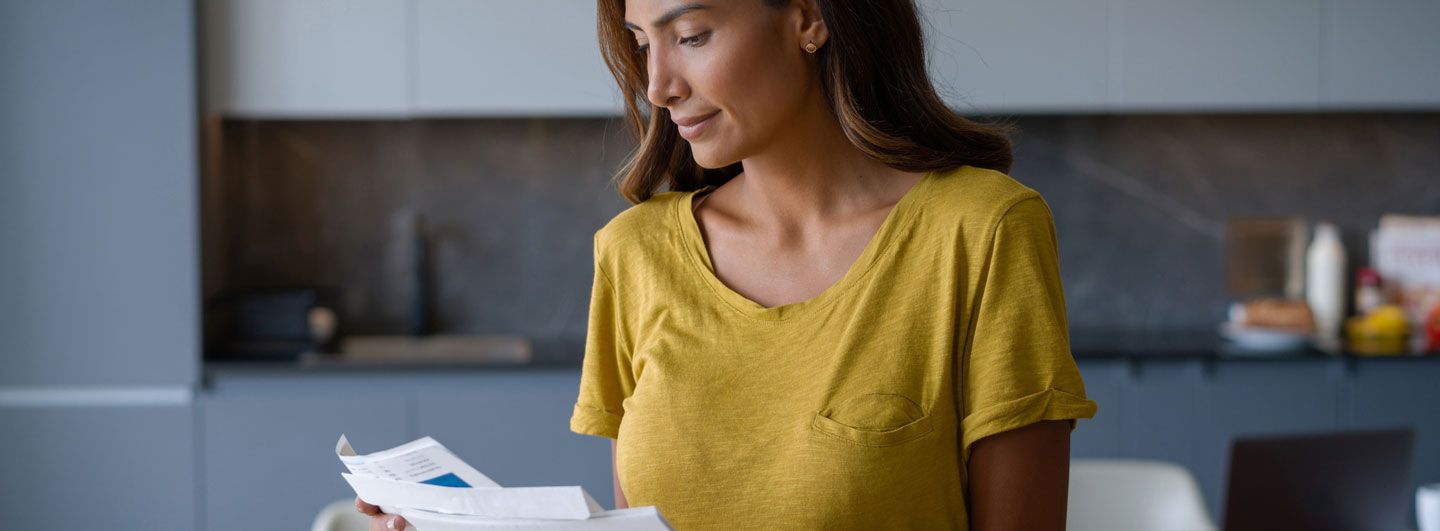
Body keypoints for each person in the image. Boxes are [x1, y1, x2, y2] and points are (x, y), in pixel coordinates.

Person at [362, 0, 1097, 529]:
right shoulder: (635, 253)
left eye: (692, 34)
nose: (659, 85)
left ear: (809, 18)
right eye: (643, 42)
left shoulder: (983, 230)